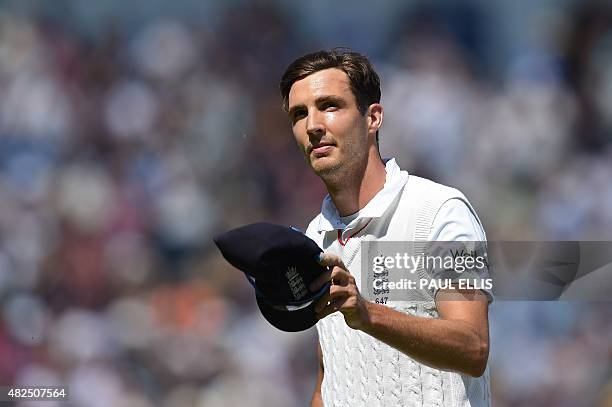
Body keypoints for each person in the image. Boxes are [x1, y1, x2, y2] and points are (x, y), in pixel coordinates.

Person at [279, 48, 492, 407]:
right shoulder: (315, 236)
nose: (313, 125)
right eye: (300, 114)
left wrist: (367, 313)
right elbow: (329, 376)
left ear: (372, 117)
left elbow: (473, 347)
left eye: (330, 105)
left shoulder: (440, 211)